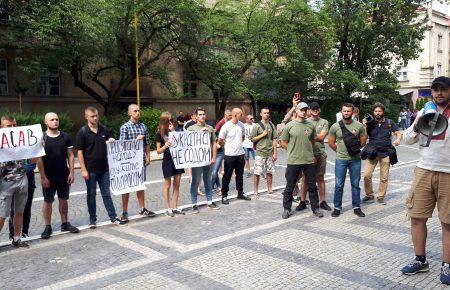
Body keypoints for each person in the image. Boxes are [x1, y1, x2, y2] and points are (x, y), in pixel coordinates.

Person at [401, 76, 450, 284]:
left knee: (448, 222)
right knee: (417, 217)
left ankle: (447, 264)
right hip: (424, 170)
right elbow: (407, 138)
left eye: (444, 90)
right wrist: (419, 123)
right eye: (436, 89)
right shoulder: (424, 111)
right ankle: (420, 260)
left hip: (448, 172)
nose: (439, 93)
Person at [75, 107, 126, 227]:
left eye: (96, 115)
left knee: (106, 194)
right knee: (91, 195)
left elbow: (111, 142)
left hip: (104, 170)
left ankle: (113, 217)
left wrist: (112, 140)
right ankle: (92, 220)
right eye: (92, 116)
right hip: (90, 170)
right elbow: (80, 152)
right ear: (86, 117)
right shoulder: (82, 132)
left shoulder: (104, 129)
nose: (95, 118)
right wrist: (83, 170)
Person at [37, 112, 79, 239]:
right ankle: (47, 227)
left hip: (63, 175)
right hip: (49, 177)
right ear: (46, 122)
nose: (55, 121)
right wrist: (43, 177)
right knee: (48, 201)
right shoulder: (42, 138)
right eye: (52, 119)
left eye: (56, 119)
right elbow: (38, 159)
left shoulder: (65, 137)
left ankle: (65, 223)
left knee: (63, 199)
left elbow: (71, 155)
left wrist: (71, 172)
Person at [0, 116, 39, 247]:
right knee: (2, 214)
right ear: (2, 127)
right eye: (8, 126)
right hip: (5, 182)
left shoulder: (22, 141)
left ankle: (17, 238)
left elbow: (33, 162)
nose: (12, 128)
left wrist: (37, 148)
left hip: (22, 179)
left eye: (14, 125)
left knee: (19, 211)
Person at [280, 102, 323, 219]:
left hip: (308, 160)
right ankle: (287, 209)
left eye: (305, 110)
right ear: (296, 111)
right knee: (290, 186)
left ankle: (316, 208)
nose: (303, 112)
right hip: (293, 160)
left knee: (312, 186)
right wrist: (292, 150)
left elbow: (313, 141)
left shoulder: (310, 125)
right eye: (301, 110)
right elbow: (283, 142)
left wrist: (310, 152)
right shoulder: (289, 126)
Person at [328, 103, 367, 218]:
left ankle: (356, 207)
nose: (346, 113)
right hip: (341, 160)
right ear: (341, 112)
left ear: (352, 112)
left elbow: (363, 141)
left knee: (355, 184)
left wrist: (354, 150)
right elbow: (331, 143)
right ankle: (337, 208)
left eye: (348, 111)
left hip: (355, 159)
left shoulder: (359, 126)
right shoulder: (335, 126)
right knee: (339, 185)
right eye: (344, 111)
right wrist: (340, 151)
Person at [119, 104, 155, 222]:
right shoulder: (125, 127)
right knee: (127, 187)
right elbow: (122, 146)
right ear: (130, 113)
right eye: (135, 111)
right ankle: (124, 212)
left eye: (139, 110)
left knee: (140, 185)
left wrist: (148, 157)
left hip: (140, 161)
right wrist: (135, 141)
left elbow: (147, 143)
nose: (138, 112)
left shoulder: (143, 127)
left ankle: (142, 208)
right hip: (128, 163)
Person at [361, 102, 402, 205]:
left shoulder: (389, 122)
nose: (377, 113)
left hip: (385, 152)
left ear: (383, 112)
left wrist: (398, 139)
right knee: (366, 175)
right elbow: (364, 137)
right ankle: (369, 195)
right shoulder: (369, 123)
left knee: (384, 177)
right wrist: (364, 125)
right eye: (375, 111)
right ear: (373, 112)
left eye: (379, 111)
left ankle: (381, 196)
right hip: (372, 152)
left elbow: (398, 133)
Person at [297, 102, 331, 211]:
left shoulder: (324, 122)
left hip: (319, 152)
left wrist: (310, 136)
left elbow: (321, 137)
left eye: (317, 108)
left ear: (319, 110)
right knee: (305, 178)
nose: (315, 110)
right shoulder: (305, 121)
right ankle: (302, 201)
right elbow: (303, 137)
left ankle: (323, 201)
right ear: (309, 110)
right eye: (312, 108)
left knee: (320, 177)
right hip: (306, 153)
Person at [187, 108, 220, 213]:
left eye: (204, 114)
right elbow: (187, 143)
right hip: (197, 161)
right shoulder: (191, 129)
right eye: (200, 114)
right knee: (195, 182)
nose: (202, 116)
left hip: (208, 160)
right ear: (196, 116)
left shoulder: (210, 128)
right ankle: (194, 204)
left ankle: (210, 202)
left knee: (208, 181)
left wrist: (214, 157)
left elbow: (214, 143)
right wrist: (199, 133)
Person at [218, 108, 251, 204]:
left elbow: (243, 137)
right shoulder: (226, 126)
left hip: (240, 154)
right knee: (227, 176)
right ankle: (224, 195)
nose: (243, 116)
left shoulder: (241, 125)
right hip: (229, 155)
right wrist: (227, 147)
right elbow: (220, 140)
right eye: (241, 114)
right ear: (235, 115)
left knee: (240, 175)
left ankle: (240, 193)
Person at [155, 116, 185, 217]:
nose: (170, 123)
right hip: (168, 160)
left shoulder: (175, 132)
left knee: (177, 185)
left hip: (177, 159)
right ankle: (168, 208)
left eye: (171, 122)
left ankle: (175, 206)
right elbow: (158, 151)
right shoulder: (159, 134)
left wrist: (173, 131)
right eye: (168, 122)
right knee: (167, 185)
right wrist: (165, 146)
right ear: (164, 123)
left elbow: (181, 144)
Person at [251, 108, 277, 197]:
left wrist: (275, 153)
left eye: (268, 113)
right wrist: (262, 135)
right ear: (261, 114)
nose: (267, 114)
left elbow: (274, 139)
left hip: (270, 152)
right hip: (260, 153)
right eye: (265, 113)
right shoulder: (257, 126)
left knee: (270, 172)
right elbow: (252, 138)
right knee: (257, 172)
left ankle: (269, 189)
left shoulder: (272, 125)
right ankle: (255, 190)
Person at [211, 109, 232, 193]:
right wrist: (217, 142)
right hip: (219, 147)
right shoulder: (221, 122)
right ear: (226, 115)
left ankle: (217, 186)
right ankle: (214, 186)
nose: (231, 117)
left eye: (231, 115)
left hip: (224, 147)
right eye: (230, 115)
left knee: (216, 169)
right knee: (214, 171)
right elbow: (214, 131)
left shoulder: (230, 123)